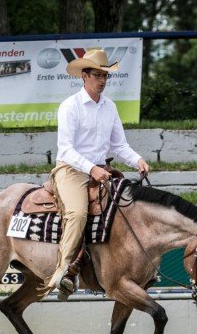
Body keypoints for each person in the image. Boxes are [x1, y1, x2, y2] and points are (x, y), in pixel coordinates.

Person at [47, 48, 150, 300]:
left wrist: (137, 159)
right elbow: (66, 149)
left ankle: (127, 269)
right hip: (71, 170)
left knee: (129, 208)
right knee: (78, 213)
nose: (102, 80)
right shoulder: (69, 106)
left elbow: (119, 145)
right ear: (84, 76)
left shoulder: (110, 107)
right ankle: (62, 271)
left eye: (105, 76)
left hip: (102, 171)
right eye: (97, 75)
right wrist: (91, 168)